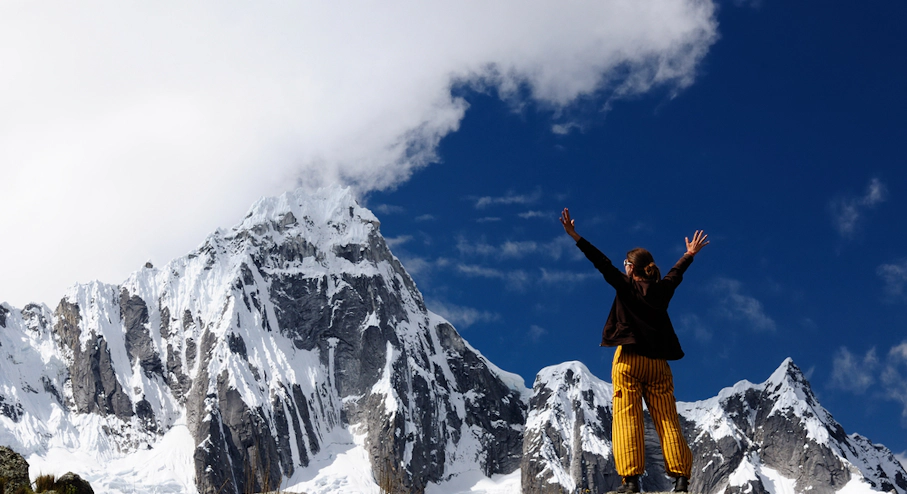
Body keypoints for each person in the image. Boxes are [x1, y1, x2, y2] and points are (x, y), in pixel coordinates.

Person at [559, 208, 709, 493]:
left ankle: (630, 482)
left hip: (628, 360)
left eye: (625, 263)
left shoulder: (625, 286)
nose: (622, 266)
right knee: (667, 418)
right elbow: (675, 275)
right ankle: (680, 480)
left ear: (630, 267)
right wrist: (689, 254)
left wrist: (575, 235)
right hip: (659, 366)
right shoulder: (661, 290)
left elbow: (600, 262)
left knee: (627, 417)